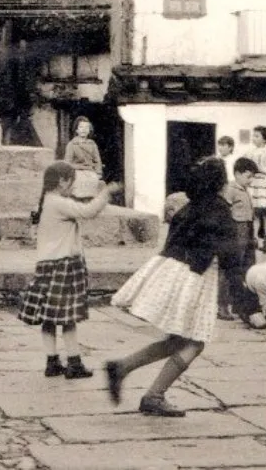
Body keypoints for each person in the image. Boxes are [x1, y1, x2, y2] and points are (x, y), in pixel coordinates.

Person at [105, 157, 241, 417]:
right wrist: (243, 297)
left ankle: (123, 368)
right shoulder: (220, 211)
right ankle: (153, 395)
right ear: (221, 183)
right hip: (196, 278)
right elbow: (231, 258)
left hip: (172, 273)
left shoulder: (187, 208)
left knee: (178, 339)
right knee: (195, 342)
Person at [18, 161, 120, 379]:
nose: (73, 187)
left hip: (46, 264)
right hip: (64, 264)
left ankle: (52, 362)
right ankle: (74, 364)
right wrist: (105, 193)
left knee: (48, 317)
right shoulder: (58, 202)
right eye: (72, 182)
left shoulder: (48, 201)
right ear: (62, 181)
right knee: (68, 317)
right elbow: (88, 211)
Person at [219, 157, 258, 321]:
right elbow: (224, 212)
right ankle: (222, 306)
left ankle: (238, 303)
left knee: (246, 267)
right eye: (248, 176)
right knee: (231, 268)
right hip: (235, 231)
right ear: (237, 174)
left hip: (247, 230)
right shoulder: (230, 189)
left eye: (252, 177)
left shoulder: (244, 190)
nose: (250, 180)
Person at [246, 126, 266, 239]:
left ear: (265, 139)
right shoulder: (249, 152)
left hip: (265, 186)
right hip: (253, 185)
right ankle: (255, 238)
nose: (253, 138)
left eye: (257, 136)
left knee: (265, 215)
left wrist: (261, 169)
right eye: (253, 136)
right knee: (255, 214)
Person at [64, 116, 103, 201]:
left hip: (90, 171)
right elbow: (67, 163)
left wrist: (98, 173)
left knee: (97, 182)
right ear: (76, 130)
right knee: (79, 183)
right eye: (81, 127)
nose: (84, 130)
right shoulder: (72, 144)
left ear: (89, 130)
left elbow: (97, 160)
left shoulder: (92, 144)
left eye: (86, 127)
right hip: (76, 172)